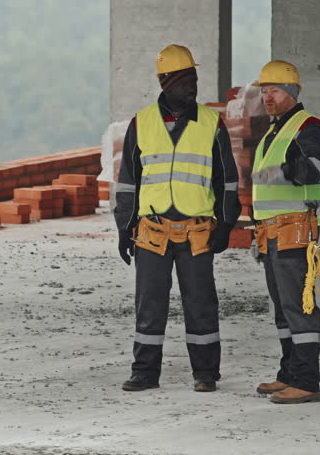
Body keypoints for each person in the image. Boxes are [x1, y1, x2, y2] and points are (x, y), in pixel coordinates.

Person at [114, 44, 240, 392]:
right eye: (186, 81)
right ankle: (144, 372)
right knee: (149, 304)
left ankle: (205, 373)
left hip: (197, 230)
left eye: (195, 80)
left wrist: (226, 224)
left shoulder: (212, 124)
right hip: (151, 230)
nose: (193, 87)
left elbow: (227, 180)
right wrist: (124, 228)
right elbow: (128, 181)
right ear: (166, 82)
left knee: (201, 303)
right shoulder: (142, 123)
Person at [250, 60, 320, 404]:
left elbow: (319, 169)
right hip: (272, 233)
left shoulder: (307, 126)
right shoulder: (274, 130)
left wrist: (282, 172)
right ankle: (289, 374)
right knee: (284, 309)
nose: (267, 96)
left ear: (293, 92)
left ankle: (307, 381)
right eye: (264, 90)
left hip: (294, 230)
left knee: (300, 306)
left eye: (275, 90)